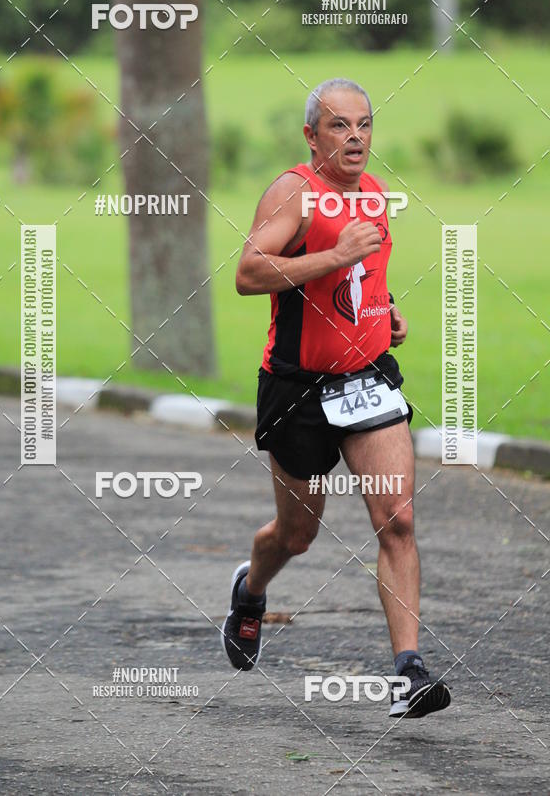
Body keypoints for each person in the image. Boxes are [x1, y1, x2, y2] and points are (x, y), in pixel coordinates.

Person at [221, 78, 451, 719]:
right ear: (311, 135)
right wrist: (333, 253)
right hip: (298, 389)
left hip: (368, 379)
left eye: (364, 125)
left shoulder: (376, 195)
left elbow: (360, 276)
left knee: (398, 521)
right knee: (297, 535)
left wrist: (386, 309)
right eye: (339, 126)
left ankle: (409, 672)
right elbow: (248, 274)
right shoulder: (293, 192)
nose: (355, 138)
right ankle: (251, 589)